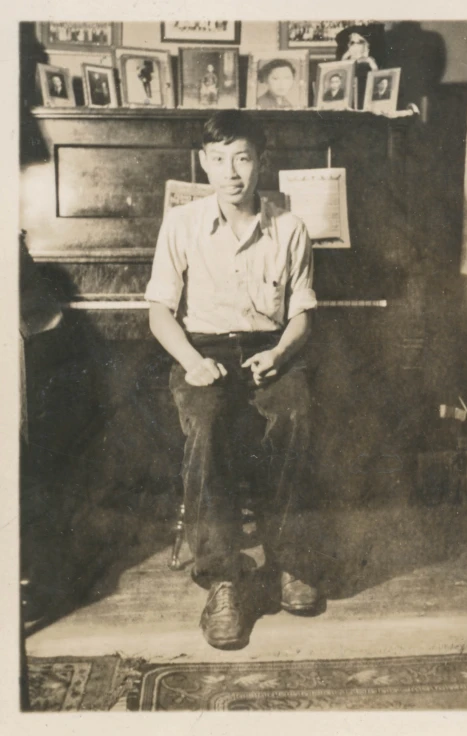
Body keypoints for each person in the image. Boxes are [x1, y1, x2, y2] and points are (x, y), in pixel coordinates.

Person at [145, 110, 321, 650]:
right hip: (203, 352)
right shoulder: (181, 224)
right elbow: (159, 311)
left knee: (295, 414)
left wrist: (280, 353)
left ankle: (287, 562)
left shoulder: (291, 228)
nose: (231, 172)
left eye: (242, 158)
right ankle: (222, 579)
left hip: (269, 352)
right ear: (204, 163)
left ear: (260, 162)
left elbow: (302, 315)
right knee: (207, 422)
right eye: (218, 160)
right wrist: (193, 363)